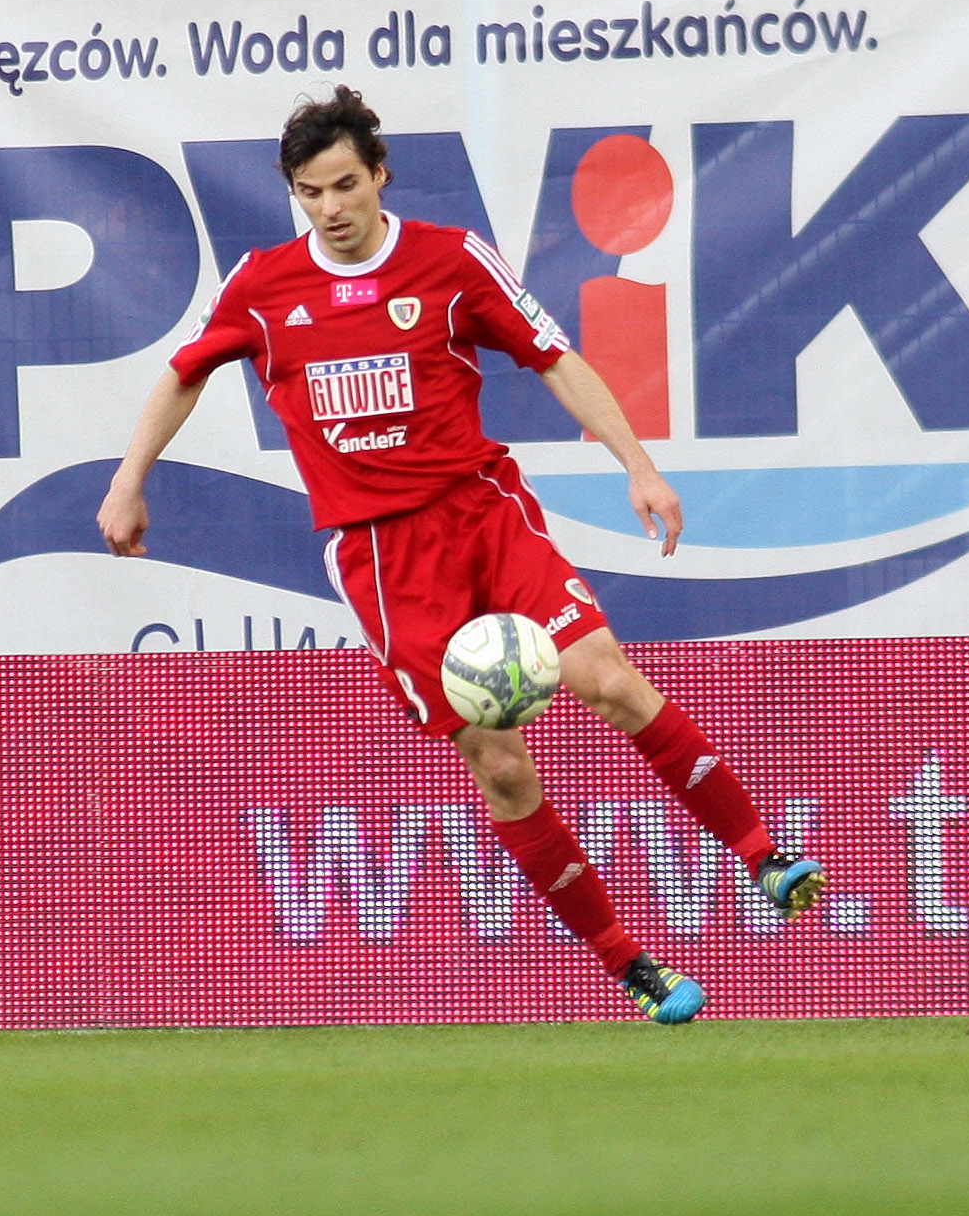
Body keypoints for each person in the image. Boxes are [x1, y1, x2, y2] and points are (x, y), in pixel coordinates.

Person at [97, 87, 825, 1022]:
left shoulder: (449, 260)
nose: (331, 208)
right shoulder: (263, 287)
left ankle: (763, 851)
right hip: (381, 558)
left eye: (347, 185)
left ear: (380, 174)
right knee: (501, 763)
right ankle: (632, 965)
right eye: (311, 192)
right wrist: (127, 483)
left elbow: (555, 356)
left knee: (603, 674)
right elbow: (183, 372)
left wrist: (638, 466)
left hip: (482, 512)